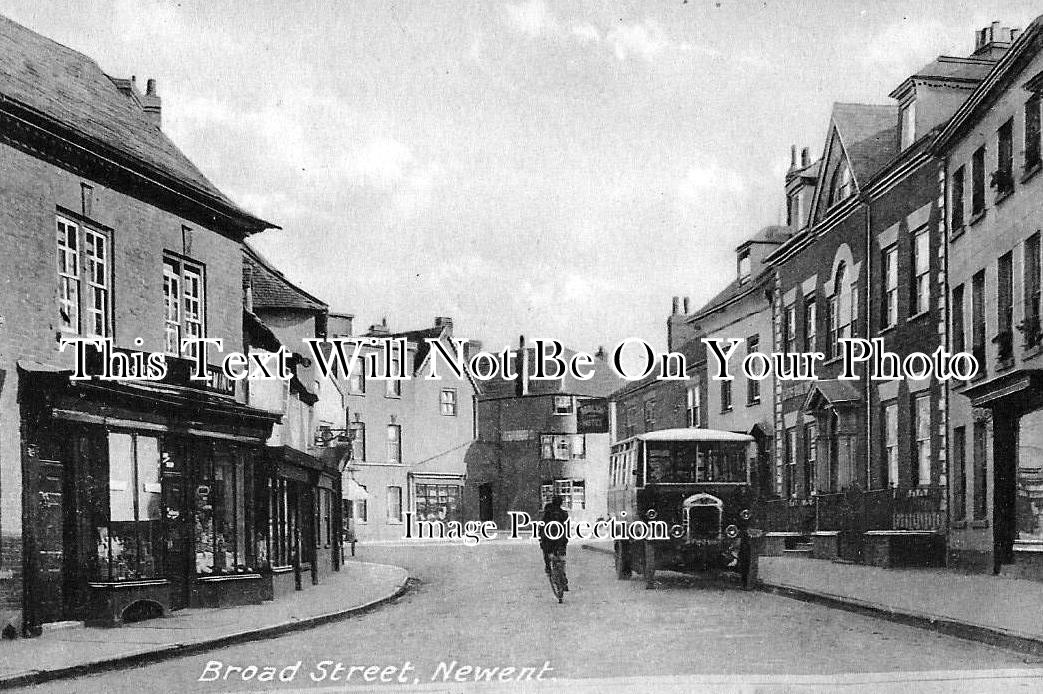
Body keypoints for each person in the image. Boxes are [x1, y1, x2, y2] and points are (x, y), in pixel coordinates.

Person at [540, 495, 569, 591]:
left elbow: (542, 525)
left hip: (549, 539)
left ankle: (548, 567)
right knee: (561, 556)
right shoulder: (563, 513)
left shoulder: (548, 513)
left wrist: (540, 536)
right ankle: (563, 575)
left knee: (546, 552)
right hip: (560, 539)